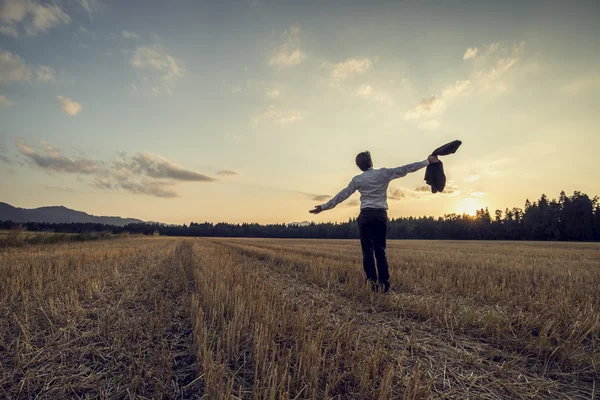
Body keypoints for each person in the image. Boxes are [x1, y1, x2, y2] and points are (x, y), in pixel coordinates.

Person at [309, 151, 439, 293]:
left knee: (367, 251)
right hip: (381, 215)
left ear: (359, 165)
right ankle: (384, 284)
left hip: (366, 216)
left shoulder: (357, 179)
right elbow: (406, 169)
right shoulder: (383, 173)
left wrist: (323, 207)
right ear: (371, 161)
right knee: (380, 251)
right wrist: (427, 161)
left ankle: (372, 284)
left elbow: (342, 195)